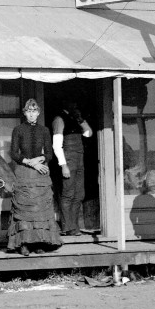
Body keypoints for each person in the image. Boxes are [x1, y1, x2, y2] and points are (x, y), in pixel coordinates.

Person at [8, 99, 63, 255]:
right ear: (25, 113)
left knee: (39, 209)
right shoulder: (18, 130)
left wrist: (40, 159)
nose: (31, 114)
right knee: (25, 209)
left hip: (40, 174)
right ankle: (24, 244)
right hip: (24, 172)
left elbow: (49, 153)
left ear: (38, 113)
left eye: (34, 111)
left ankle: (39, 242)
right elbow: (14, 153)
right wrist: (31, 163)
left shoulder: (44, 130)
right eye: (28, 111)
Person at [52, 100, 93, 236]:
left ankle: (74, 226)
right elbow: (57, 145)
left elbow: (89, 133)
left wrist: (80, 119)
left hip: (79, 159)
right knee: (68, 194)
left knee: (79, 194)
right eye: (73, 103)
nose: (75, 105)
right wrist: (64, 165)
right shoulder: (59, 119)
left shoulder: (76, 118)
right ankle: (67, 227)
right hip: (68, 159)